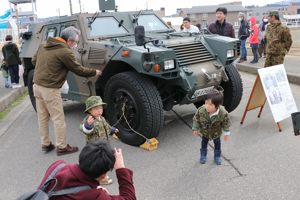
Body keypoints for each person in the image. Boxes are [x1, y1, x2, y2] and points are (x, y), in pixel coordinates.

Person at [32, 26, 102, 156]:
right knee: (58, 118)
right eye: (75, 42)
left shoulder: (43, 45)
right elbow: (78, 69)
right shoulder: (64, 51)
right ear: (69, 41)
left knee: (42, 117)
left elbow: (33, 60)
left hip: (37, 85)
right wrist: (94, 72)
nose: (75, 45)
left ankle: (46, 144)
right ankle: (62, 147)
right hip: (50, 88)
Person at [36, 141, 136, 200]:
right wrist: (121, 168)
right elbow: (129, 198)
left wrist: (94, 188)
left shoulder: (57, 166)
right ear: (103, 176)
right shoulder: (95, 195)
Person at [80, 96, 119, 184]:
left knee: (104, 161)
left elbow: (106, 126)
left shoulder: (102, 118)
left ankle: (97, 175)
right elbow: (83, 129)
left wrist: (112, 130)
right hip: (95, 148)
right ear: (90, 110)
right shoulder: (89, 120)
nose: (99, 110)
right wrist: (88, 125)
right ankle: (101, 178)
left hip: (104, 145)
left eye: (100, 108)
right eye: (96, 108)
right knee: (98, 163)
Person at [192, 92, 231, 165]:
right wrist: (195, 128)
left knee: (217, 144)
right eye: (206, 103)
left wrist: (226, 133)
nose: (207, 106)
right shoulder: (201, 110)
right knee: (204, 143)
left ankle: (217, 156)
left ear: (217, 106)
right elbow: (196, 119)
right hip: (205, 132)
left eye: (210, 104)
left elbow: (226, 122)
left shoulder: (222, 113)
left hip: (216, 132)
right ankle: (203, 155)